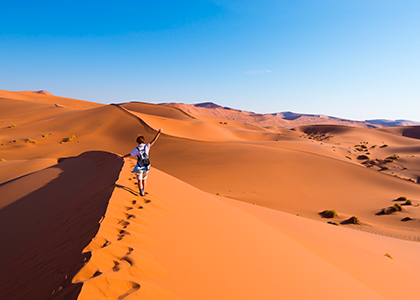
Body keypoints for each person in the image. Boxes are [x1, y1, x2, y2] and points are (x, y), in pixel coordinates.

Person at [120, 128, 163, 196]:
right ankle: (143, 190)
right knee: (144, 179)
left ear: (137, 142)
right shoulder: (147, 146)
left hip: (139, 166)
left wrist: (123, 157)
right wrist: (159, 133)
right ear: (143, 141)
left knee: (139, 180)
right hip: (147, 165)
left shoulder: (137, 149)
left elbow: (129, 154)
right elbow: (154, 140)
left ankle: (141, 192)